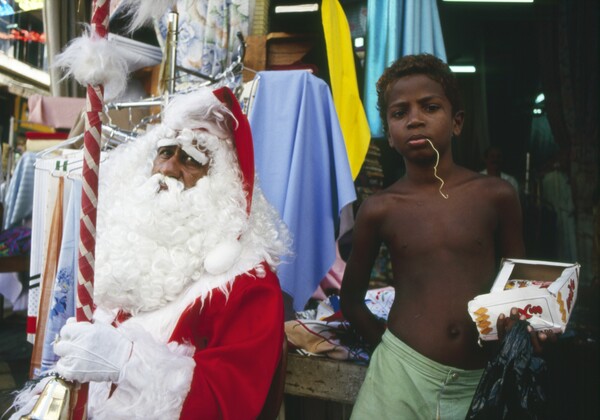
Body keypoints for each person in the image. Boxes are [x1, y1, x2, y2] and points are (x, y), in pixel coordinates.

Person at [11, 87, 290, 419]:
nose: (169, 169)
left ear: (223, 181)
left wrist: (127, 361)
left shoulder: (247, 285)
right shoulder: (133, 253)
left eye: (191, 159)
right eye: (165, 153)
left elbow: (225, 404)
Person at [340, 54, 527, 419]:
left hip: (478, 380)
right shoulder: (380, 208)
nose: (415, 120)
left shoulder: (495, 195)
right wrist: (390, 351)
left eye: (429, 107)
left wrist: (522, 331)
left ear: (456, 122)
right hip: (398, 376)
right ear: (390, 135)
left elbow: (520, 289)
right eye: (400, 113)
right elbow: (350, 300)